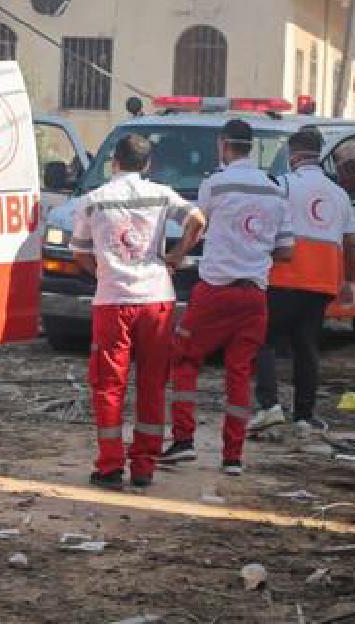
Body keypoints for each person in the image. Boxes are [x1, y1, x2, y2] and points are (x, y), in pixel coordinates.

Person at [71, 134, 206, 490]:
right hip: (156, 299)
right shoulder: (161, 194)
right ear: (147, 165)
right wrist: (175, 257)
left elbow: (80, 253)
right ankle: (144, 466)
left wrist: (104, 270)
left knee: (108, 386)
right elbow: (197, 220)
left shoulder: (93, 201)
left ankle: (110, 466)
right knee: (153, 383)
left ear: (113, 162)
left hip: (113, 301)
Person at [162, 119, 293, 476]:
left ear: (223, 145)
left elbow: (197, 224)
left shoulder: (216, 184)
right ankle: (233, 457)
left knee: (186, 360)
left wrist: (176, 255)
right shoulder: (275, 189)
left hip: (215, 291)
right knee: (239, 372)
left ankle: (184, 440)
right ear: (251, 147)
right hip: (254, 297)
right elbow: (285, 252)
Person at [249, 127, 355, 437]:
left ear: (292, 154)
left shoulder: (283, 184)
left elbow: (264, 224)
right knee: (307, 347)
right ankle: (304, 415)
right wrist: (350, 281)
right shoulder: (339, 194)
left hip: (283, 278)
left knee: (266, 340)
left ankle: (269, 405)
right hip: (322, 282)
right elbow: (351, 243)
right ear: (319, 154)